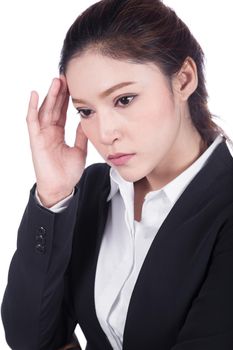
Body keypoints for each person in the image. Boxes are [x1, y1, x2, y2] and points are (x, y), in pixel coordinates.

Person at [1, 0, 233, 349]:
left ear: (183, 79)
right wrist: (52, 198)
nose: (105, 133)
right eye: (86, 110)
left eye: (124, 99)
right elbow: (29, 338)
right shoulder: (92, 191)